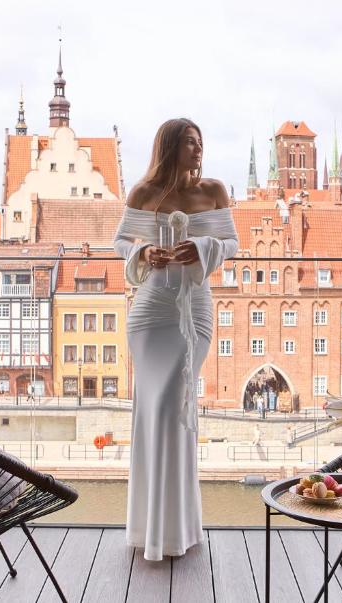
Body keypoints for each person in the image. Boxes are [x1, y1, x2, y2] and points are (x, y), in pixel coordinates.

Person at [113, 118, 239, 561]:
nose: (198, 149)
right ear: (170, 147)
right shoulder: (144, 194)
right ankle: (150, 531)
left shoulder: (215, 191)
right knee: (153, 410)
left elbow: (231, 243)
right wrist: (143, 252)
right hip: (150, 313)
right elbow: (119, 243)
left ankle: (176, 530)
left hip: (194, 310)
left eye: (201, 142)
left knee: (174, 405)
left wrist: (202, 250)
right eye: (190, 143)